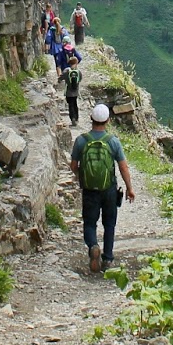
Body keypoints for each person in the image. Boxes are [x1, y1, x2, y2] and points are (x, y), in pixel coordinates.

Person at [70, 102, 134, 274]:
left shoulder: (81, 141)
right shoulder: (113, 141)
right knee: (109, 224)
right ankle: (107, 259)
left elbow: (74, 165)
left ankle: (93, 246)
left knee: (90, 223)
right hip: (109, 189)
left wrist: (84, 175)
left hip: (89, 189)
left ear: (91, 119)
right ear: (107, 120)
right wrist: (129, 188)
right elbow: (123, 167)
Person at [61, 52, 82, 124]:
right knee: (75, 104)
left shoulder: (66, 70)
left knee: (70, 105)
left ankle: (72, 118)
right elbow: (80, 79)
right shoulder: (78, 71)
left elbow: (61, 77)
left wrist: (60, 80)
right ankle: (76, 118)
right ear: (76, 63)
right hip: (75, 91)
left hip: (68, 92)